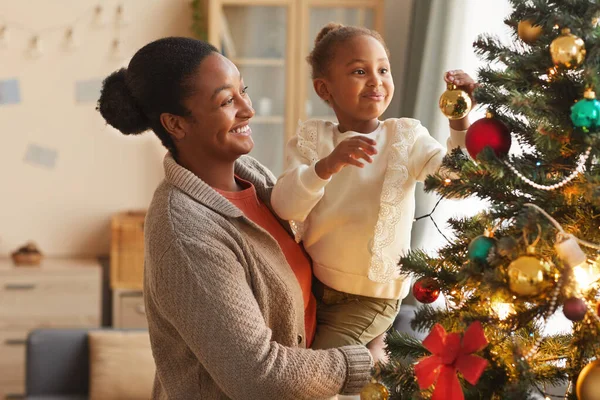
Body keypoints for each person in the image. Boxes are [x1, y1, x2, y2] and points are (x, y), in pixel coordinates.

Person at [97, 36, 374, 400]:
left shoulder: (253, 177)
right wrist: (367, 362)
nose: (248, 109)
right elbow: (259, 376)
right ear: (176, 124)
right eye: (227, 101)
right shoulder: (185, 230)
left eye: (244, 91)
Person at [271, 23, 476, 356]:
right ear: (325, 89)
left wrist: (460, 119)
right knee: (289, 355)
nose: (376, 80)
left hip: (371, 296)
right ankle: (376, 366)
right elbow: (284, 206)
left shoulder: (406, 138)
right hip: (313, 285)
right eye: (359, 71)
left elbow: (459, 181)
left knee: (320, 371)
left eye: (383, 69)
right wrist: (325, 167)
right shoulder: (311, 139)